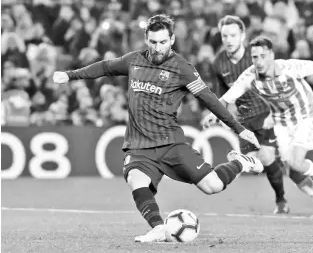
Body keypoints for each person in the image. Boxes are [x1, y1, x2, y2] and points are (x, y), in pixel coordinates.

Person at [53, 14, 263, 243]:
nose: (158, 47)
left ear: (172, 39)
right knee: (136, 179)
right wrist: (70, 75)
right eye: (153, 42)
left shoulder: (182, 68)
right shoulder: (134, 60)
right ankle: (158, 228)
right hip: (139, 145)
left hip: (171, 143)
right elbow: (105, 67)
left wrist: (238, 128)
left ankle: (240, 162)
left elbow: (208, 99)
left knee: (212, 186)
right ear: (146, 39)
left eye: (163, 42)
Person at [204, 36, 313, 217]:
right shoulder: (249, 76)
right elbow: (226, 98)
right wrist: (212, 113)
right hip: (281, 120)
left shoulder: (288, 67)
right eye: (255, 57)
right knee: (291, 169)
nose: (259, 61)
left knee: (295, 162)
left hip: (305, 115)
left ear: (271, 55)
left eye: (263, 56)